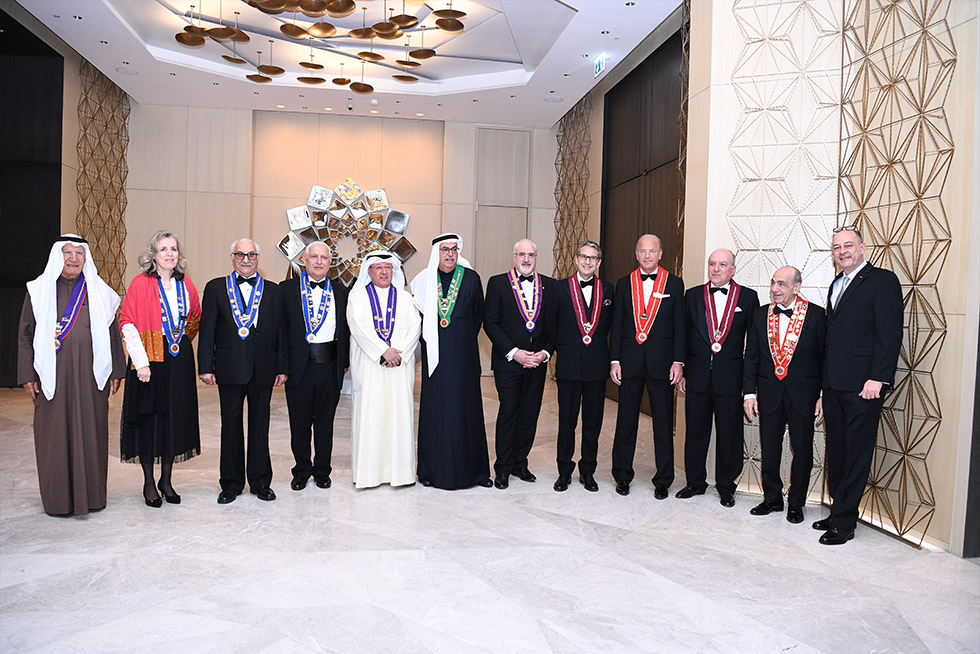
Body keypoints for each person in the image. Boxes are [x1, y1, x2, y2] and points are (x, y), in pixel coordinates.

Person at [17, 235, 127, 516]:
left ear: (86, 258)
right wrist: (28, 373)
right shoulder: (38, 290)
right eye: (68, 252)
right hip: (52, 377)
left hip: (91, 378)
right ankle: (58, 500)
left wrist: (116, 370)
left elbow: (113, 333)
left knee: (92, 432)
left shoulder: (100, 292)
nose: (74, 258)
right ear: (58, 256)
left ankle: (93, 497)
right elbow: (25, 334)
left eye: (79, 253)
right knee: (53, 435)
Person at [815, 226, 902, 545]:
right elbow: (832, 340)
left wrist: (878, 377)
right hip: (834, 384)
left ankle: (845, 522)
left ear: (862, 248)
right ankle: (838, 509)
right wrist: (823, 389)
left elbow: (890, 333)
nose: (842, 251)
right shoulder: (836, 284)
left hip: (864, 386)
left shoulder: (882, 281)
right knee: (837, 451)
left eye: (848, 245)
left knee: (856, 454)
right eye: (837, 247)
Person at [198, 238, 287, 504]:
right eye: (240, 254)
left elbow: (281, 332)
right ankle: (230, 483)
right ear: (232, 257)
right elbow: (207, 330)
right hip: (229, 367)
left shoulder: (273, 291)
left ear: (258, 258)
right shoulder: (215, 288)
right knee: (230, 426)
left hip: (263, 368)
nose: (246, 260)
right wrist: (206, 366)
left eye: (251, 255)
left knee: (260, 427)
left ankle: (261, 482)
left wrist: (282, 366)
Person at [119, 231, 202, 507]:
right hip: (149, 358)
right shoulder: (140, 283)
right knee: (150, 419)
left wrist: (179, 342)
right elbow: (127, 322)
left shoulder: (186, 284)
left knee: (173, 418)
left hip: (178, 359)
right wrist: (141, 362)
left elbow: (194, 318)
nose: (169, 254)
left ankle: (166, 480)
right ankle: (148, 483)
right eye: (163, 249)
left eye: (173, 249)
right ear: (153, 255)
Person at [743, 266, 826, 524]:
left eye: (782, 284)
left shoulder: (817, 315)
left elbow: (825, 358)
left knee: (802, 450)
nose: (775, 289)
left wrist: (822, 395)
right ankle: (772, 498)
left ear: (796, 287)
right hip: (769, 393)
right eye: (773, 283)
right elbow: (752, 356)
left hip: (804, 395)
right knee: (769, 448)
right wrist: (749, 393)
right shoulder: (760, 315)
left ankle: (797, 503)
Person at [411, 233, 492, 490]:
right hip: (435, 359)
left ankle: (475, 472)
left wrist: (460, 336)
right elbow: (417, 319)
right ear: (436, 252)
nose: (450, 254)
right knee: (436, 412)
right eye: (445, 250)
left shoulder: (471, 278)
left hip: (464, 357)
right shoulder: (424, 280)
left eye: (454, 250)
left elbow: (478, 315)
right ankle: (430, 471)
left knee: (467, 411)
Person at [678, 249, 758, 507]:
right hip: (697, 376)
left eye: (723, 264)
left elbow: (753, 345)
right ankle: (695, 482)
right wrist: (682, 369)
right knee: (695, 432)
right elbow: (683, 335)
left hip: (731, 379)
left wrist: (748, 384)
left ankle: (726, 486)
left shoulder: (748, 297)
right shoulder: (692, 296)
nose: (716, 269)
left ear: (733, 269)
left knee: (729, 434)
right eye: (712, 263)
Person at [609, 234, 686, 497]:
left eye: (652, 251)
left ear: (661, 254)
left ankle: (663, 479)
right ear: (636, 254)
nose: (647, 255)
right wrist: (615, 360)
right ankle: (622, 475)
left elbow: (680, 326)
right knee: (625, 421)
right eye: (643, 251)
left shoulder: (674, 284)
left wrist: (678, 361)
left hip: (662, 364)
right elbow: (617, 325)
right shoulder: (624, 284)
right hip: (629, 362)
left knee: (663, 423)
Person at [483, 239, 555, 489]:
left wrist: (544, 353)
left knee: (529, 414)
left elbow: (555, 325)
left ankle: (520, 463)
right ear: (514, 257)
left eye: (531, 255)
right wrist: (514, 353)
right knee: (509, 413)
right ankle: (502, 468)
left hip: (537, 363)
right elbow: (490, 323)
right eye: (522, 254)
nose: (526, 259)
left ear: (536, 258)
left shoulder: (550, 285)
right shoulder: (497, 283)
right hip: (508, 363)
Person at [544, 240, 614, 492]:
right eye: (583, 257)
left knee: (593, 423)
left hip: (597, 366)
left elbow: (612, 326)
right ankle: (564, 471)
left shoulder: (608, 290)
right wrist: (559, 350)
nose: (587, 261)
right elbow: (551, 324)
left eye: (592, 258)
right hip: (569, 366)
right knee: (567, 422)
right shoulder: (559, 288)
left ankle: (588, 471)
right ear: (576, 259)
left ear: (599, 262)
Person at [347, 252, 421, 489]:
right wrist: (382, 352)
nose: (383, 272)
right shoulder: (357, 297)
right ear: (369, 272)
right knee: (371, 417)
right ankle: (369, 474)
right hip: (370, 367)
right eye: (378, 267)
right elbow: (358, 328)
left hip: (399, 367)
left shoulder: (406, 298)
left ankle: (401, 473)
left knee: (399, 417)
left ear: (394, 271)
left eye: (387, 267)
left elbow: (415, 328)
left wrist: (398, 354)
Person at [281, 241, 349, 492]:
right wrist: (282, 366)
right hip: (299, 367)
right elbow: (280, 331)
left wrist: (344, 363)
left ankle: (322, 471)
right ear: (304, 260)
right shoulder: (286, 290)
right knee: (299, 424)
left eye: (324, 258)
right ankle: (301, 470)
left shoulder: (341, 291)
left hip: (330, 367)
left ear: (330, 262)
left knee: (325, 423)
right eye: (314, 257)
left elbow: (346, 330)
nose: (319, 262)